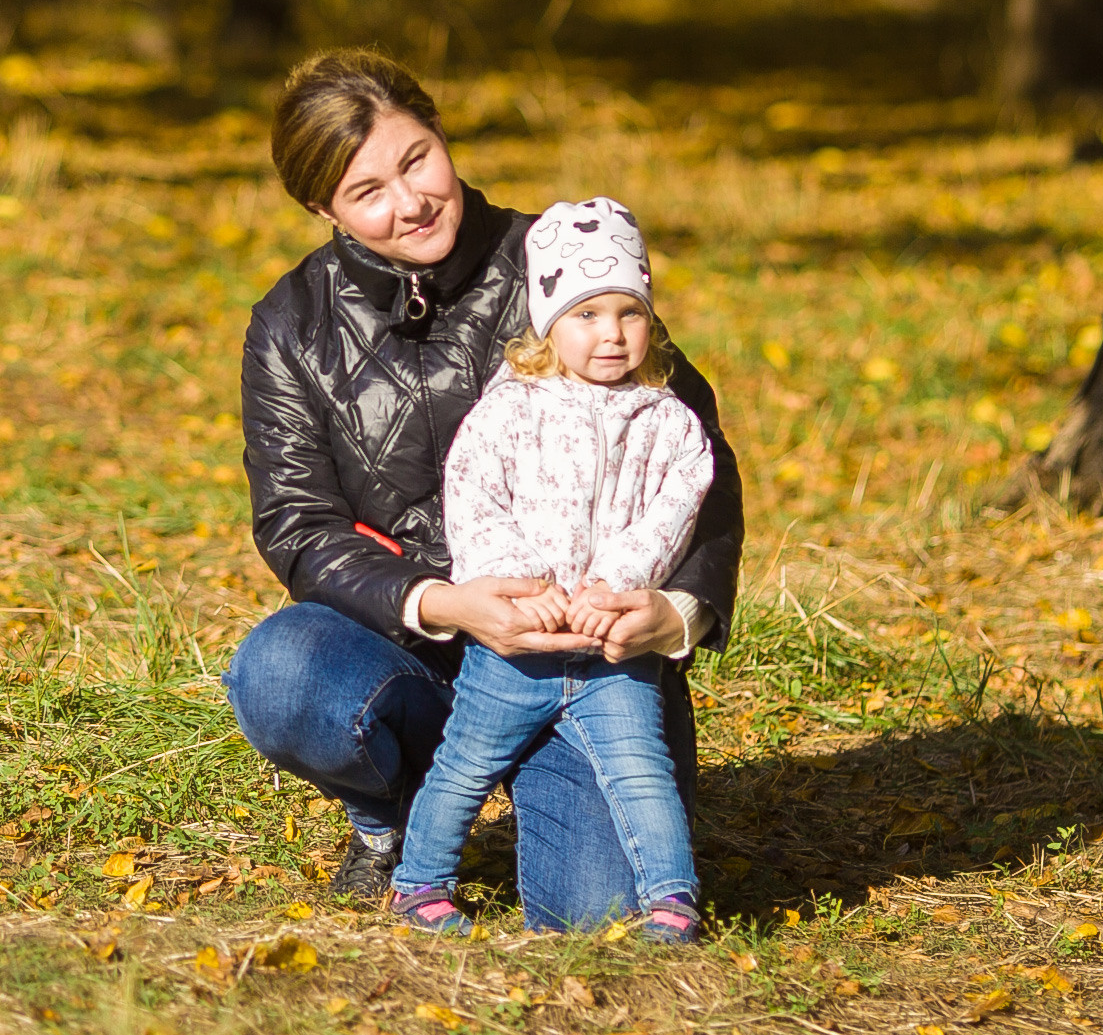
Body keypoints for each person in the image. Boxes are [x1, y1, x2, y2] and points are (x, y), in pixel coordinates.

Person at [224, 47, 743, 932]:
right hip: (413, 643)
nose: (411, 200)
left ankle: (558, 788)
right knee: (280, 671)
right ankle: (391, 817)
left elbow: (693, 455)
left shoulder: (564, 259)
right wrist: (445, 601)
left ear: (442, 134)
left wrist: (680, 610)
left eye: (417, 158)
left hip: (583, 649)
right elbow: (298, 524)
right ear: (324, 210)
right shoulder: (290, 324)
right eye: (368, 190)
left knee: (600, 917)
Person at [390, 198, 713, 943]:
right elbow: (473, 494)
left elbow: (672, 510)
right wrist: (516, 582)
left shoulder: (668, 421)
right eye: (586, 314)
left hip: (610, 652)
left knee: (643, 772)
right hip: (518, 649)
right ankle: (420, 882)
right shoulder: (511, 410)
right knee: (464, 764)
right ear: (548, 322)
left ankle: (672, 897)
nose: (610, 334)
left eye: (628, 313)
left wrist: (620, 587)